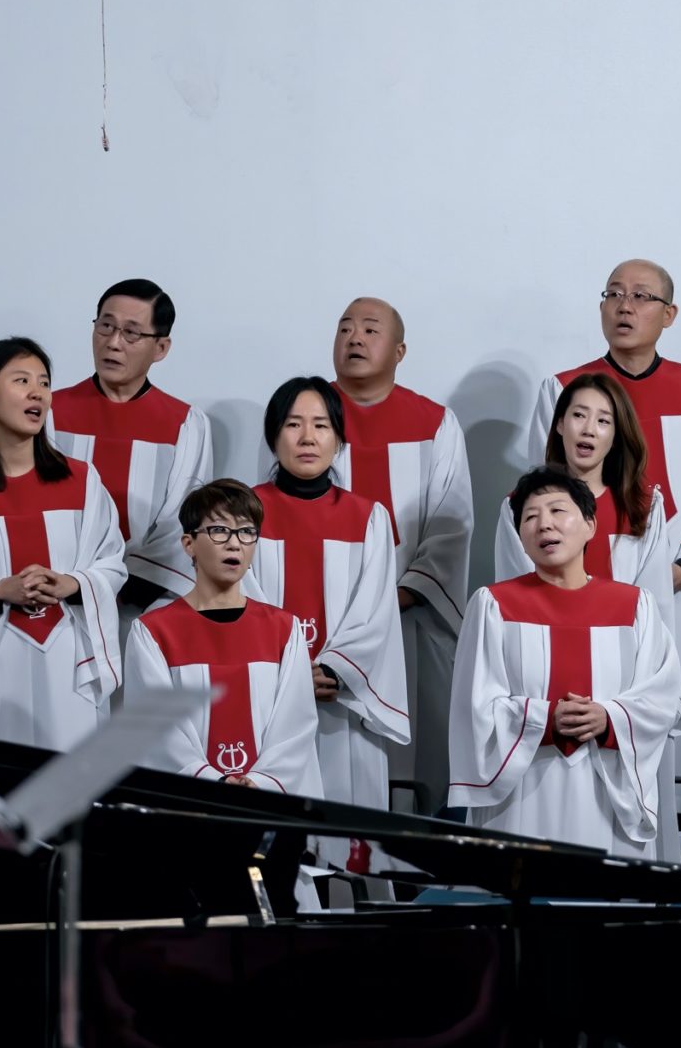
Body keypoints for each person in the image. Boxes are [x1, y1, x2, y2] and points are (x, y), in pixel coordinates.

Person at [526, 260, 681, 854]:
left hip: (676, 597)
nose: (626, 306)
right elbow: (543, 493)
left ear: (669, 315)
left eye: (642, 296)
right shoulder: (562, 388)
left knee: (660, 742)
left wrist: (673, 571)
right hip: (569, 600)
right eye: (614, 294)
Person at [448, 468, 681, 856]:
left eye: (558, 510)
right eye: (530, 517)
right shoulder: (493, 606)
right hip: (521, 793)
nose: (544, 524)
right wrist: (543, 720)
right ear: (520, 537)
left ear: (590, 525)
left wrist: (609, 718)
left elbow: (663, 698)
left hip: (608, 792)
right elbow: (472, 709)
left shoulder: (634, 607)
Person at [0, 338, 127, 751]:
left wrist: (72, 583)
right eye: (22, 381)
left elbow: (112, 563)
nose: (38, 393)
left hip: (69, 659)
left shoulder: (82, 481)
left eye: (44, 383)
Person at [246, 377, 411, 842]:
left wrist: (335, 669)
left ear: (339, 439)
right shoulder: (245, 512)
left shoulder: (368, 517)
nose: (307, 437)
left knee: (344, 836)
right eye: (293, 424)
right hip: (267, 695)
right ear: (273, 435)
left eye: (321, 425)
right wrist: (292, 672)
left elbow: (376, 612)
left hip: (342, 699)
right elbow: (240, 598)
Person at [326, 297, 473, 808]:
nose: (354, 338)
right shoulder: (305, 415)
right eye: (345, 328)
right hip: (324, 621)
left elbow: (452, 527)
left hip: (409, 621)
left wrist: (395, 600)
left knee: (413, 765)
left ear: (400, 351)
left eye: (370, 329)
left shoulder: (434, 423)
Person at [127, 479, 322, 796]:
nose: (235, 544)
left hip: (270, 800)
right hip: (189, 801)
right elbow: (155, 726)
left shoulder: (284, 629)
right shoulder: (153, 631)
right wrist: (211, 780)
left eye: (246, 532)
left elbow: (296, 724)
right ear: (189, 544)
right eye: (219, 531)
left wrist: (259, 781)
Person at [48, 279, 214, 610]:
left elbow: (181, 523)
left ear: (161, 348)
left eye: (131, 333)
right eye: (106, 326)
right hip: (54, 598)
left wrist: (111, 587)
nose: (113, 343)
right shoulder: (50, 412)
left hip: (140, 604)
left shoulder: (184, 425)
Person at [492, 372, 679, 606]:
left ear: (616, 435)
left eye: (603, 421)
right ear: (560, 424)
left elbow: (654, 604)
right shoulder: (519, 506)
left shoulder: (644, 506)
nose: (588, 429)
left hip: (622, 629)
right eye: (579, 415)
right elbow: (515, 599)